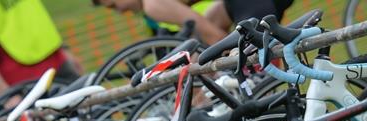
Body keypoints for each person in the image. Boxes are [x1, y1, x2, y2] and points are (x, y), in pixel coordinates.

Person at [0, 0, 82, 102]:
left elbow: (33, 12)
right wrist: (5, 94)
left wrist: (64, 51)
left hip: (57, 61)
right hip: (18, 82)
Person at [95, 0, 295, 46]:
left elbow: (215, 37)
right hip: (239, 5)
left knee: (262, 109)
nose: (120, 11)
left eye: (113, 5)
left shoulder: (152, 4)